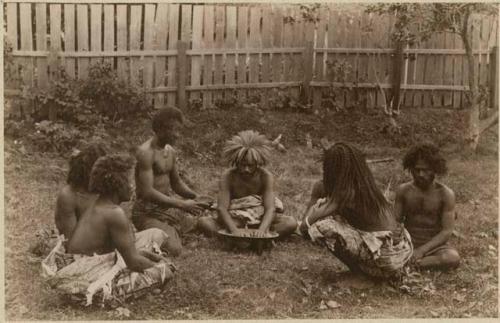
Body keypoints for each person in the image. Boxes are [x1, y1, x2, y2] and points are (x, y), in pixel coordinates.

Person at [42, 154, 175, 306]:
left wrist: (150, 257)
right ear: (117, 184)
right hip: (83, 280)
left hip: (78, 271)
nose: (133, 186)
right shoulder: (114, 213)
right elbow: (133, 262)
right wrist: (161, 266)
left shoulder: (100, 205)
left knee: (152, 258)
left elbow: (119, 252)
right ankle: (107, 296)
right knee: (165, 272)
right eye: (129, 182)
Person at [299, 142, 412, 278]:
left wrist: (306, 222)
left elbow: (306, 225)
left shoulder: (345, 191)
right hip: (401, 251)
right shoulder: (365, 183)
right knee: (331, 216)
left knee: (321, 227)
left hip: (387, 258)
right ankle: (373, 272)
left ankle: (360, 276)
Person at [132, 107, 211, 256]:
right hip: (146, 213)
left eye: (179, 130)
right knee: (175, 249)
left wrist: (196, 197)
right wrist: (181, 204)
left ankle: (171, 230)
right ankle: (157, 235)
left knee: (203, 224)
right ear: (161, 129)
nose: (178, 135)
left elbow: (176, 183)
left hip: (165, 210)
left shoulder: (171, 152)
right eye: (175, 130)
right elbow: (147, 192)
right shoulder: (146, 153)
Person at [198, 130, 297, 239]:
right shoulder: (228, 176)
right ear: (236, 162)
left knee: (290, 223)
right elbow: (222, 208)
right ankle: (245, 238)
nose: (246, 169)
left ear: (257, 164)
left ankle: (244, 238)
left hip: (260, 218)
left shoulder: (265, 176)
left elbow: (270, 209)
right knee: (204, 222)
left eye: (250, 166)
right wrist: (235, 230)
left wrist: (262, 230)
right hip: (235, 219)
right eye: (242, 165)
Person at [32, 142, 108, 257]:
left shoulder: (101, 189)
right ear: (87, 171)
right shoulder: (68, 196)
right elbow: (72, 245)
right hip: (83, 252)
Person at [395, 143, 460, 270]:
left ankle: (407, 265)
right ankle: (411, 263)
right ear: (410, 168)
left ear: (435, 169)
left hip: (435, 246)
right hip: (408, 243)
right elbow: (395, 221)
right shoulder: (403, 190)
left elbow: (447, 231)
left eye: (426, 170)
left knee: (452, 257)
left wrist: (421, 251)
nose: (420, 174)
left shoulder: (446, 194)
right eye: (417, 169)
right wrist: (395, 238)